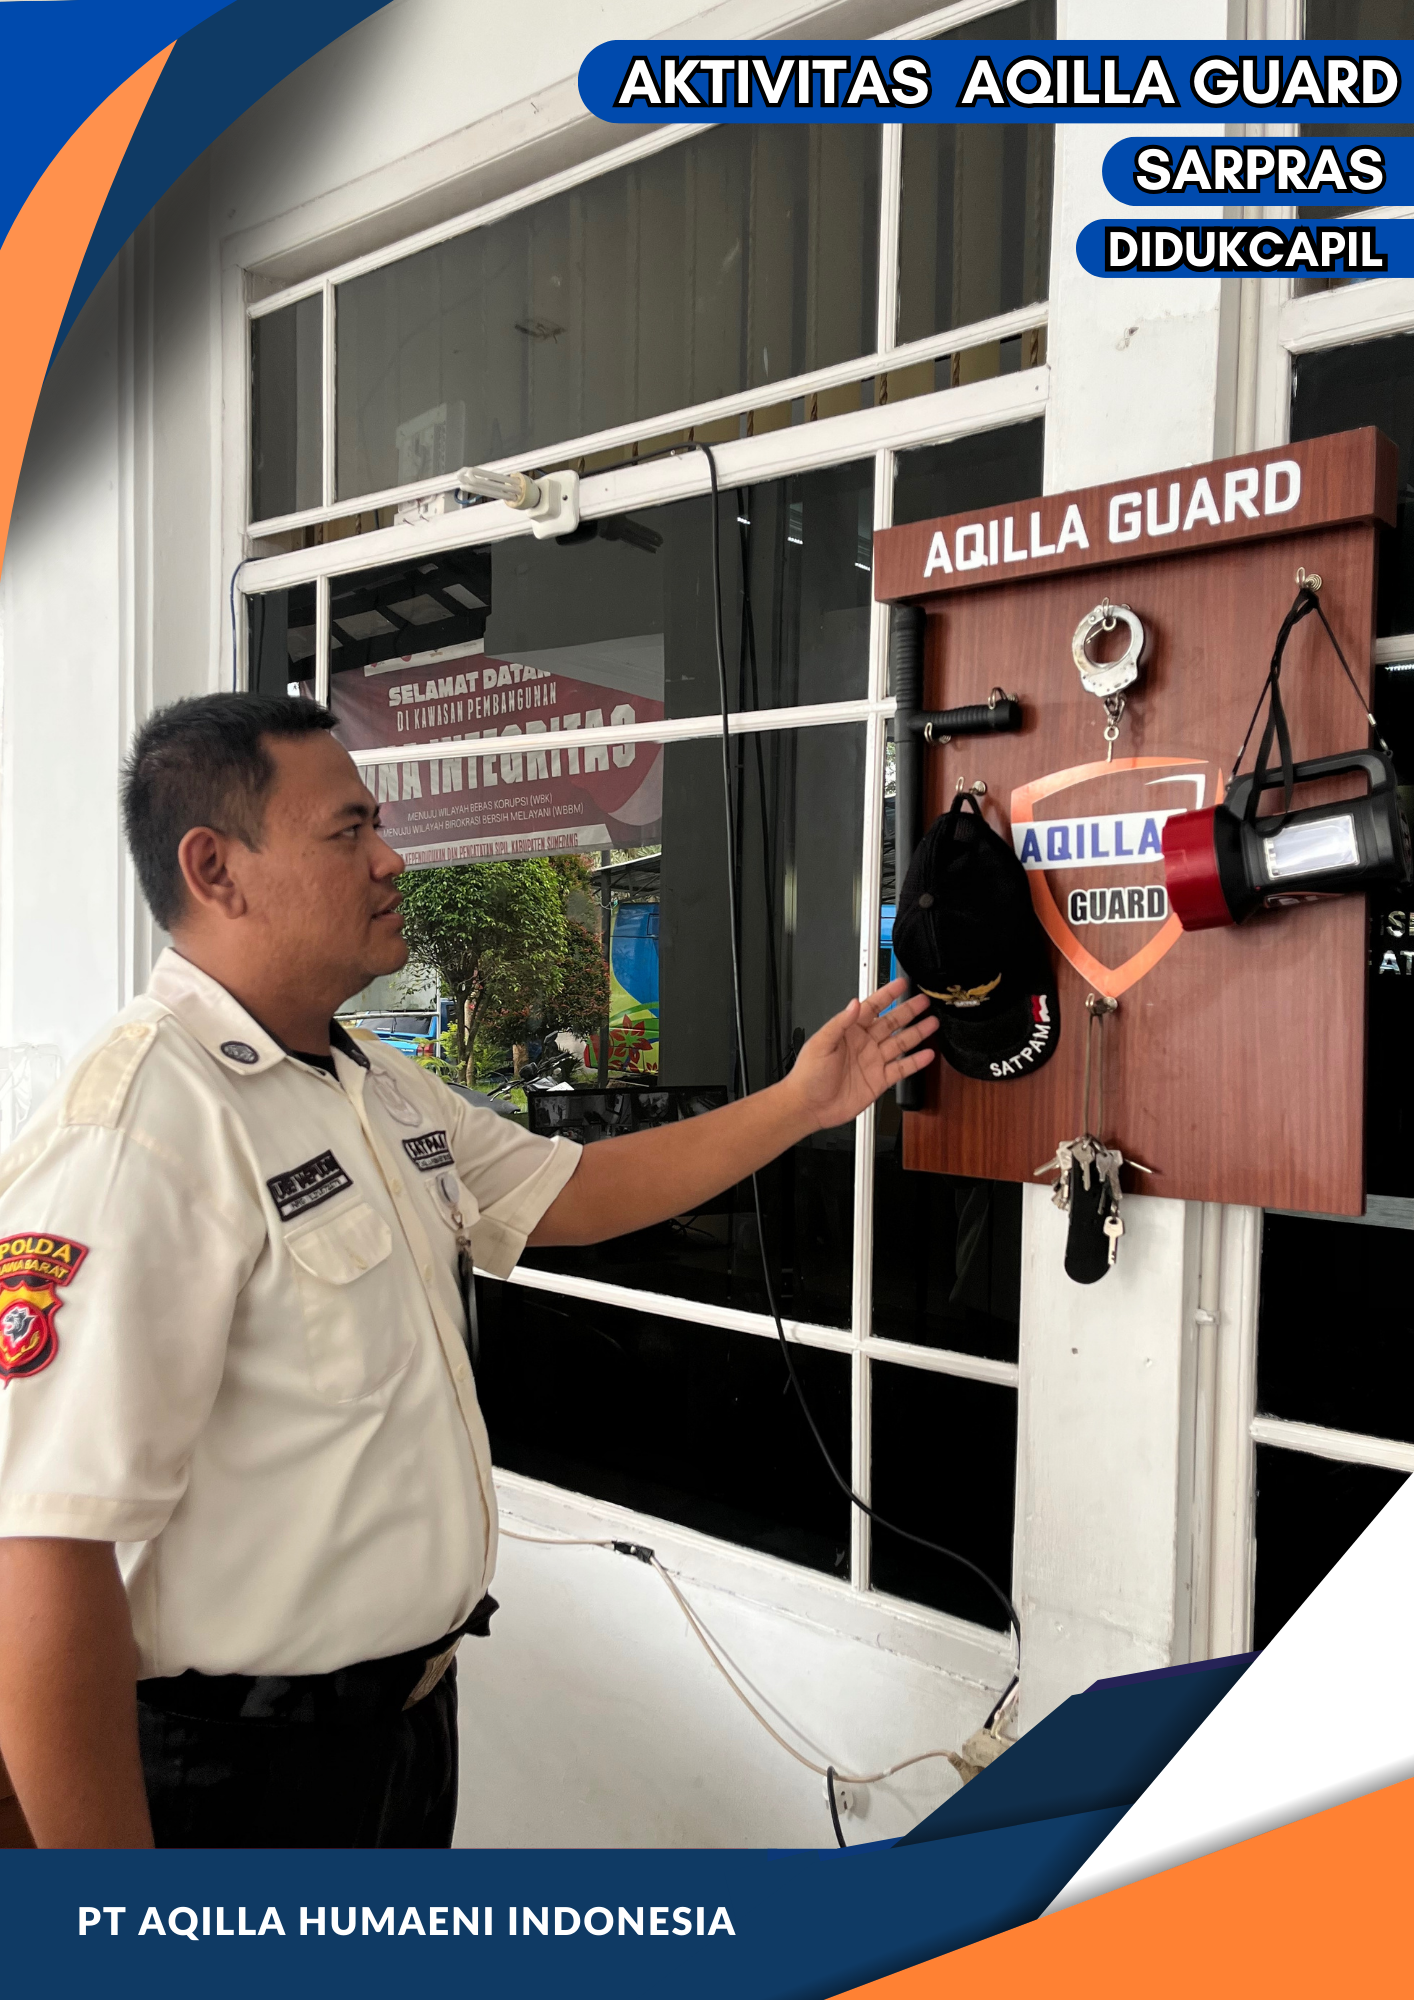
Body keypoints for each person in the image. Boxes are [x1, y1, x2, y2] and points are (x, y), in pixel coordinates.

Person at [0, 693, 935, 1850]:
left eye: (379, 824)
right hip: (240, 1778)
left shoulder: (371, 1083)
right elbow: (43, 1548)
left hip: (400, 1735)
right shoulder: (141, 1127)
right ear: (215, 868)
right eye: (348, 830)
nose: (391, 858)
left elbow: (572, 1190)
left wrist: (801, 1102)